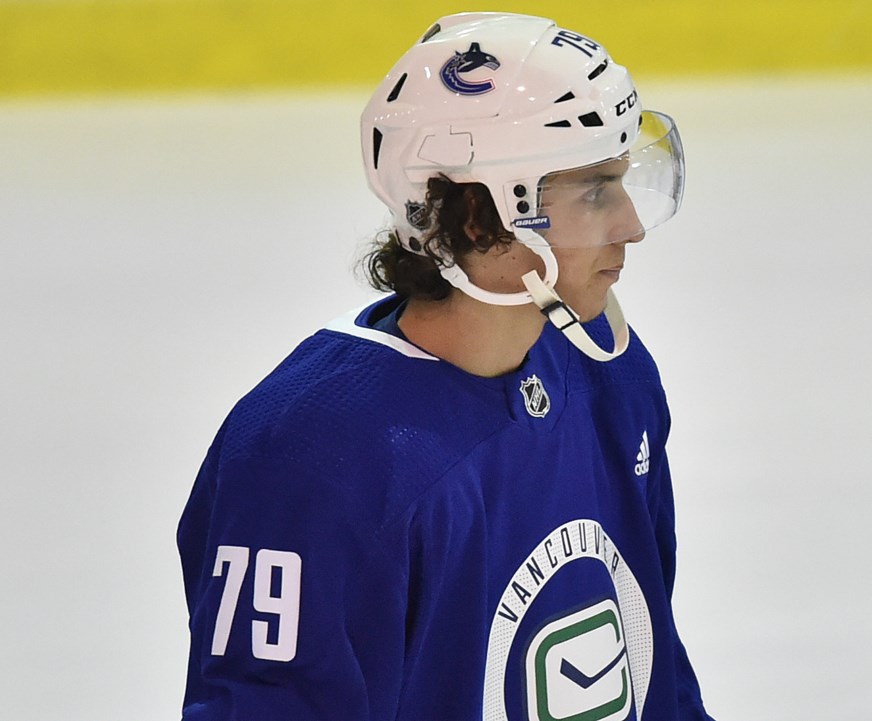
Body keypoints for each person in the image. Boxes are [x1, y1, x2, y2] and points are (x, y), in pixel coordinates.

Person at [178, 12, 715, 721]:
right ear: (476, 219)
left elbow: (656, 672)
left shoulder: (606, 374)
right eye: (592, 190)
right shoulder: (313, 455)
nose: (630, 224)